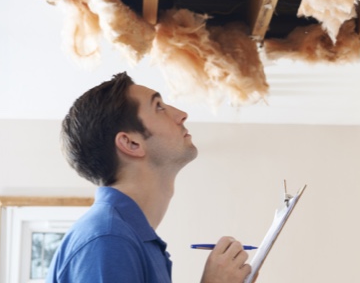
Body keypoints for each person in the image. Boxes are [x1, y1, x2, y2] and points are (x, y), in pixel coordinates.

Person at [46, 72, 252, 283]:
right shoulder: (109, 240)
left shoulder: (129, 240)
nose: (181, 114)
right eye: (159, 107)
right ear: (131, 143)